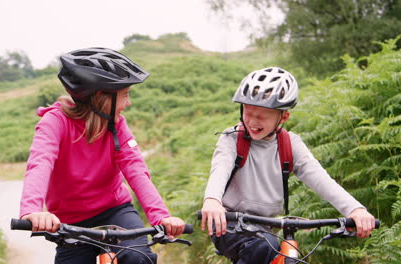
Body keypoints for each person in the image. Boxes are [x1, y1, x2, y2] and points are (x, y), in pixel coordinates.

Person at [19, 47, 185, 264]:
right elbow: (40, 163)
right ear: (100, 97)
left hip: (115, 212)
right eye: (125, 95)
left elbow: (135, 169)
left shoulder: (117, 124)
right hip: (71, 222)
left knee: (138, 257)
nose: (128, 103)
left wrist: (161, 217)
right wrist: (32, 210)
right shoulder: (54, 123)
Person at [200, 67, 375, 263]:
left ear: (283, 117)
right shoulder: (232, 139)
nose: (252, 121)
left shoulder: (290, 144)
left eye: (262, 116)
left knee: (289, 258)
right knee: (265, 247)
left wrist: (355, 210)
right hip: (229, 225)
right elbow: (220, 169)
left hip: (268, 228)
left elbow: (321, 179)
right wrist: (212, 200)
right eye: (248, 112)